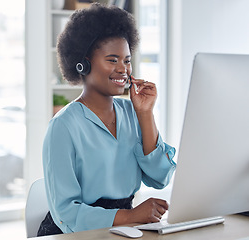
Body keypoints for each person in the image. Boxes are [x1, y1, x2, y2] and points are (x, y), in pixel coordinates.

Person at [37, 3, 176, 236]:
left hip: (124, 229)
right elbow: (66, 213)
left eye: (127, 60)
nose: (123, 69)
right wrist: (131, 216)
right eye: (112, 60)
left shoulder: (132, 112)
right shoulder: (63, 126)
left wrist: (145, 114)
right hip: (75, 233)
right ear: (83, 64)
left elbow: (160, 178)